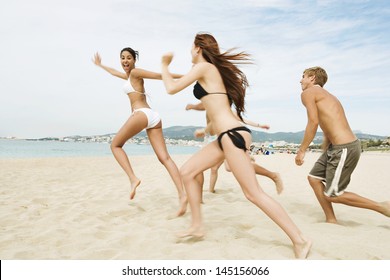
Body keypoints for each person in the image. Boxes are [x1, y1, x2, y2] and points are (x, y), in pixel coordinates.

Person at [161, 32, 311, 259]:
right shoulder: (210, 72)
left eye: (191, 47)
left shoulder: (204, 68)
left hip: (232, 135)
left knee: (253, 194)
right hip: (224, 136)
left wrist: (164, 65)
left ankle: (300, 240)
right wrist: (202, 120)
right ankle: (197, 225)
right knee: (188, 172)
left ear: (199, 48)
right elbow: (212, 106)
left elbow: (171, 88)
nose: (190, 51)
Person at [92, 48, 187, 216]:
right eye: (122, 58)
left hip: (141, 114)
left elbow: (159, 75)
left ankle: (133, 178)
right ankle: (183, 194)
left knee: (115, 145)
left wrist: (186, 76)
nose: (125, 61)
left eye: (129, 58)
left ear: (135, 60)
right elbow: (115, 72)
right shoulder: (129, 76)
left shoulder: (135, 72)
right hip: (153, 117)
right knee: (164, 158)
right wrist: (101, 65)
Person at [295, 66, 390, 223]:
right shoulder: (329, 96)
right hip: (338, 147)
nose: (300, 80)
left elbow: (313, 122)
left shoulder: (308, 93)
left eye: (303, 76)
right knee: (314, 179)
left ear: (312, 78)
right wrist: (327, 147)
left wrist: (302, 150)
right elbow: (329, 124)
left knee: (333, 195)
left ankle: (382, 207)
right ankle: (331, 219)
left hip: (344, 148)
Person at [186, 102, 283, 194]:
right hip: (219, 141)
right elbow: (211, 128)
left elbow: (243, 120)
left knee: (230, 167)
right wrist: (194, 108)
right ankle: (210, 191)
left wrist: (259, 125)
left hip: (230, 139)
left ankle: (272, 175)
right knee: (214, 168)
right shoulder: (211, 111)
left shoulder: (226, 111)